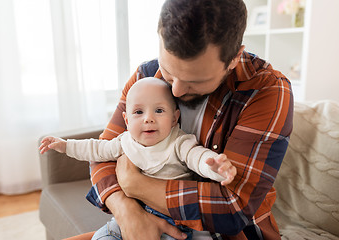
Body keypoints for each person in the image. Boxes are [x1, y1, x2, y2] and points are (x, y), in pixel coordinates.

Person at [67, 0, 294, 239]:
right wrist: (127, 212)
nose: (175, 90)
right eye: (169, 71)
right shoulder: (146, 75)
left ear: (234, 58)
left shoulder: (267, 91)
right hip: (145, 218)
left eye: (194, 81)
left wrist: (134, 183)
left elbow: (232, 209)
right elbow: (104, 154)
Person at [39, 77, 237, 240]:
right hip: (130, 220)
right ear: (126, 120)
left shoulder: (178, 142)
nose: (148, 118)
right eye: (139, 112)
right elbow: (96, 149)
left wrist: (216, 167)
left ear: (174, 118)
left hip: (174, 225)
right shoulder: (124, 141)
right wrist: (65, 146)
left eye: (159, 111)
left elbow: (198, 157)